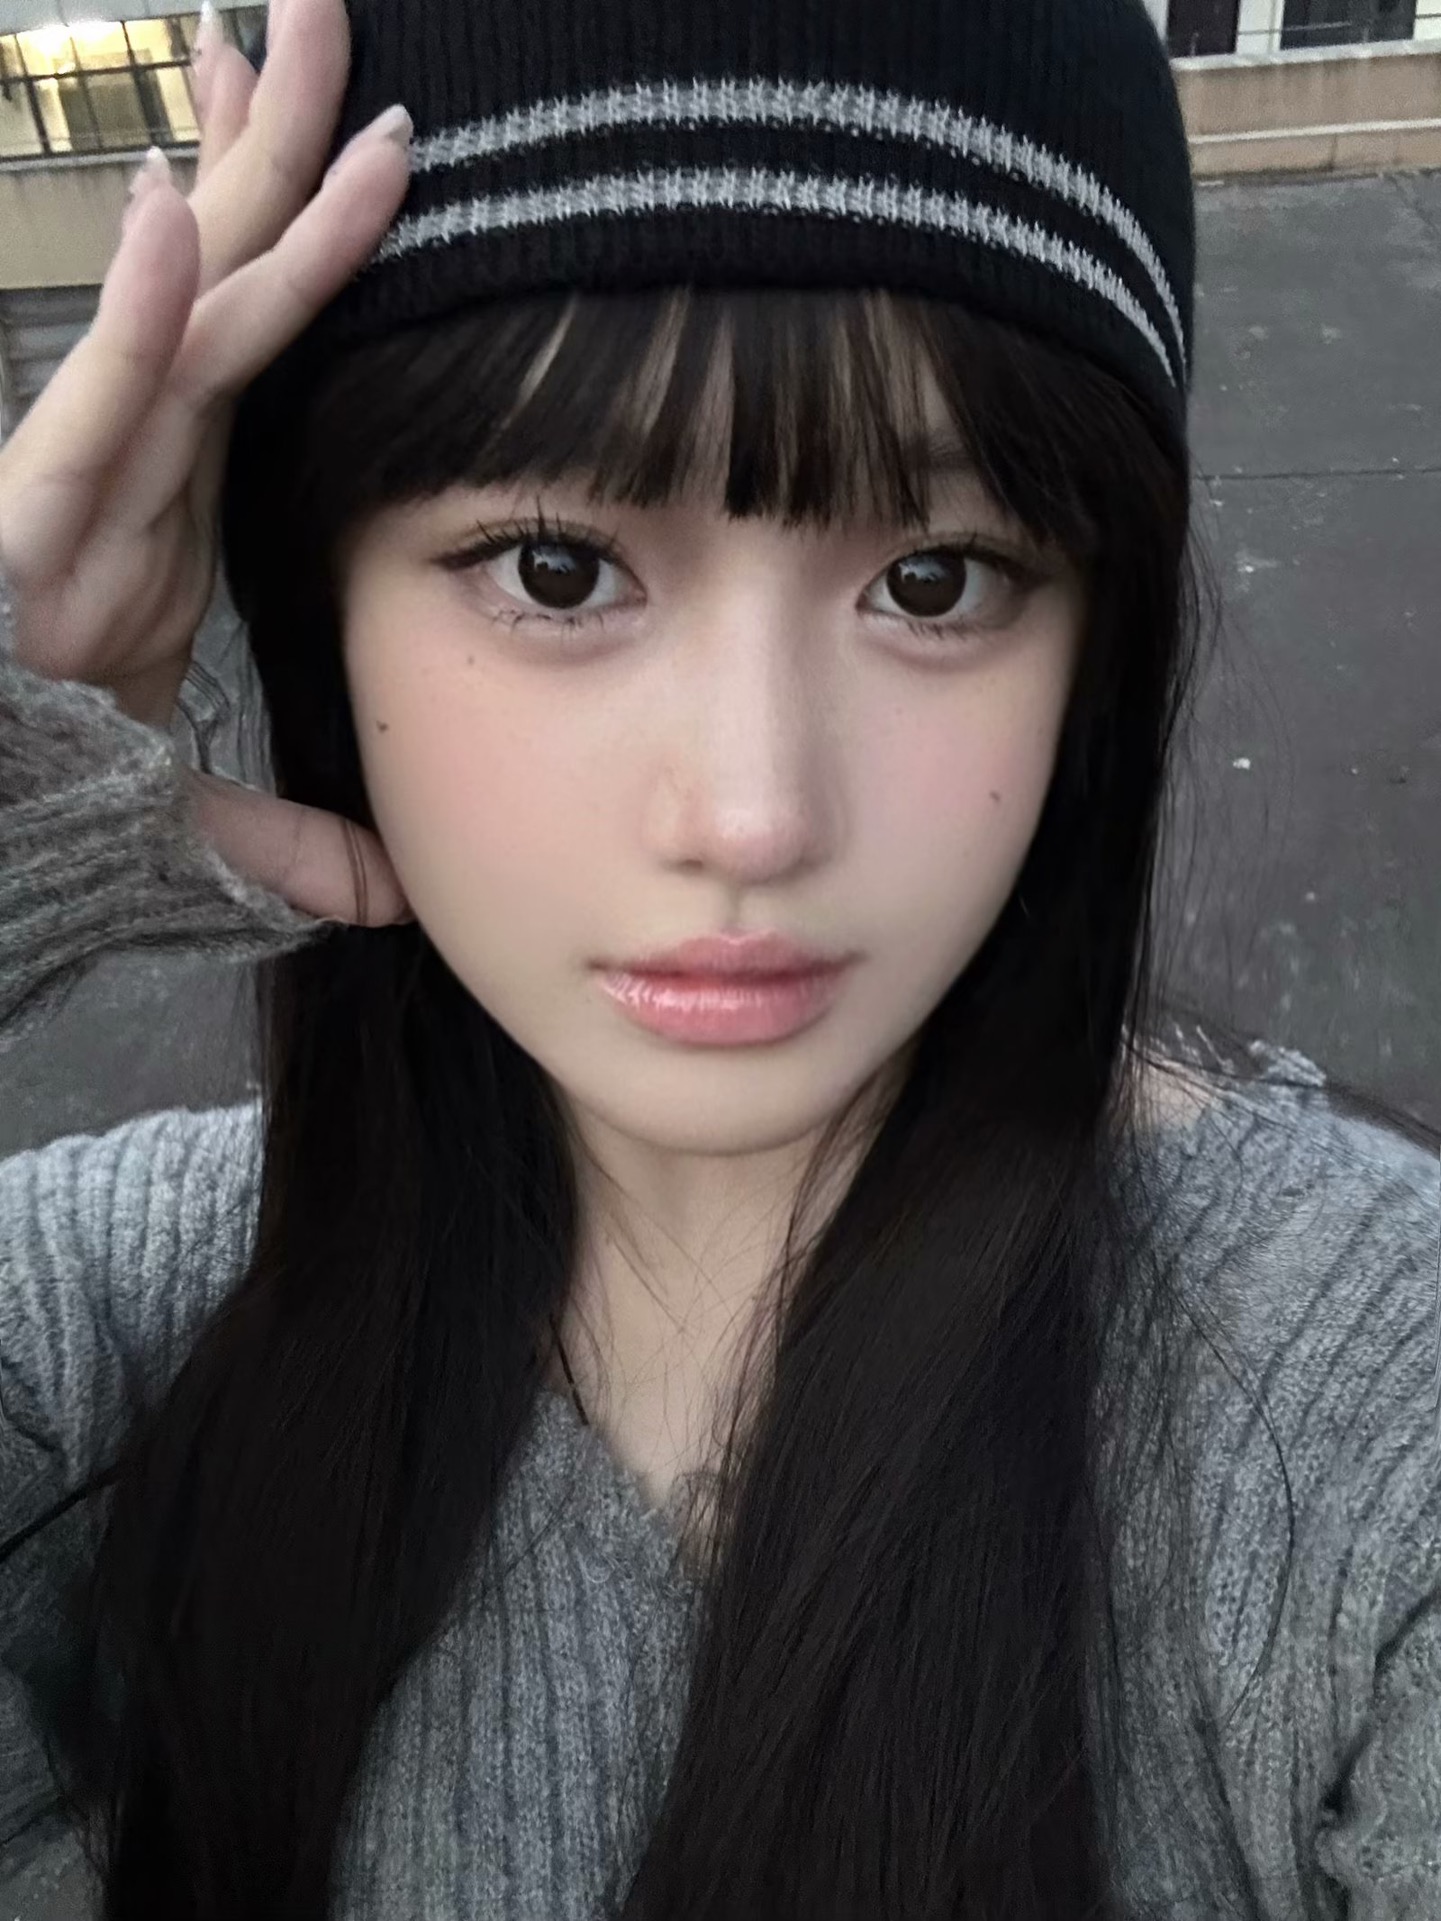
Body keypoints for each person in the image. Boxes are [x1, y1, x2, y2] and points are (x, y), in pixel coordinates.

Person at [0, 0, 1436, 1916]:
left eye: (933, 579)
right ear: (312, 601)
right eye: (559, 569)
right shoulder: (92, 1351)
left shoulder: (1370, 1426)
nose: (753, 815)